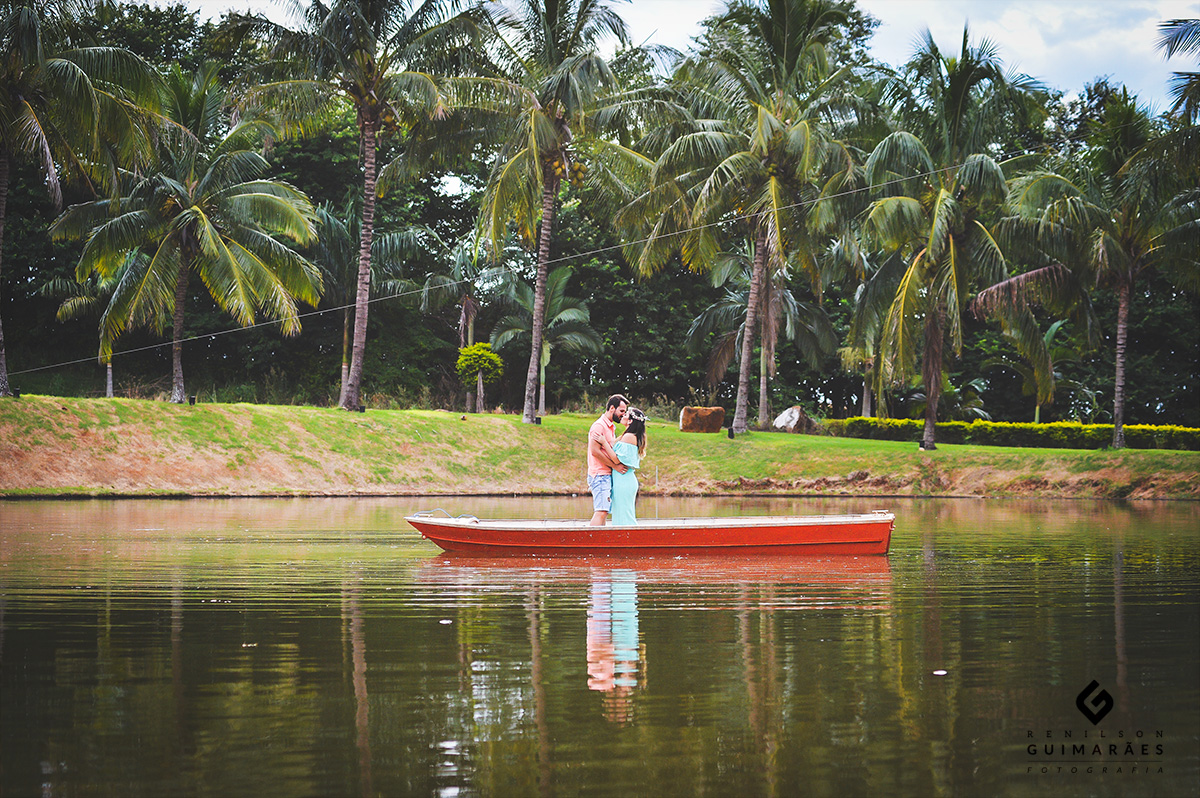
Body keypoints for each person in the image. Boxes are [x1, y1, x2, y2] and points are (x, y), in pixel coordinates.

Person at [587, 394, 628, 525]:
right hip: (599, 474)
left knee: (604, 512)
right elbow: (595, 451)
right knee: (601, 511)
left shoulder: (610, 426)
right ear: (612, 408)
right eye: (621, 411)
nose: (623, 414)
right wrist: (615, 466)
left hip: (606, 475)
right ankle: (590, 541)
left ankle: (599, 543)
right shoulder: (599, 426)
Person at [610, 407, 646, 526]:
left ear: (630, 421)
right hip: (621, 479)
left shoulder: (629, 437)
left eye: (626, 415)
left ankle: (631, 539)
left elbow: (616, 459)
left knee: (625, 515)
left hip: (624, 480)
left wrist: (603, 442)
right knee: (620, 513)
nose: (623, 415)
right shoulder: (626, 435)